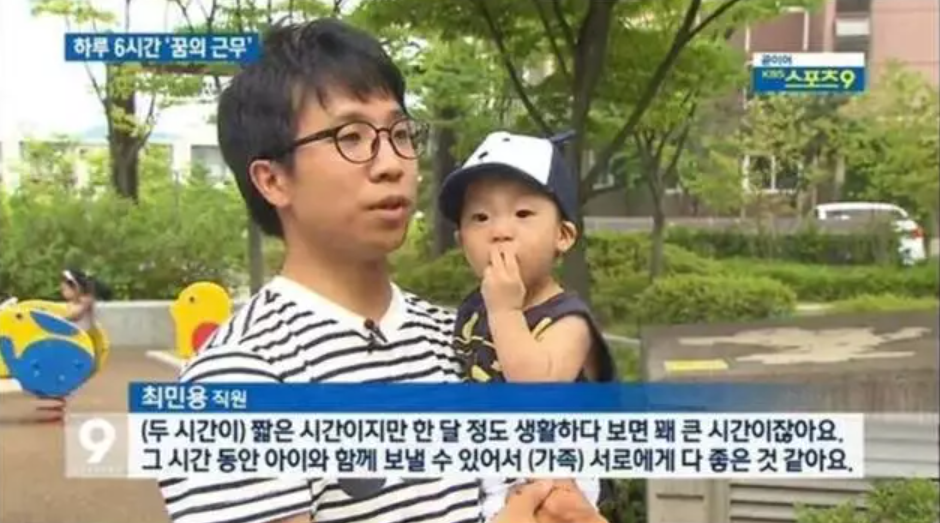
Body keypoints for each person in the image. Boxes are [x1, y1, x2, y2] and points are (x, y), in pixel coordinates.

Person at [157, 18, 607, 523]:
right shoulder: (233, 383)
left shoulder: (464, 339)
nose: (392, 162)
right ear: (273, 179)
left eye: (399, 133)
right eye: (351, 137)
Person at [437, 131, 617, 521]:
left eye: (522, 214)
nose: (500, 231)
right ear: (461, 240)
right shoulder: (473, 308)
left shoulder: (569, 320)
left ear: (562, 235)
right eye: (480, 217)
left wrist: (505, 311)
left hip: (555, 479)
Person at [60, 268, 111, 333]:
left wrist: (63, 319)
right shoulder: (73, 302)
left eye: (64, 289)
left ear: (76, 288)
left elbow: (75, 314)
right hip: (76, 333)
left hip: (84, 334)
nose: (62, 293)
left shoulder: (85, 300)